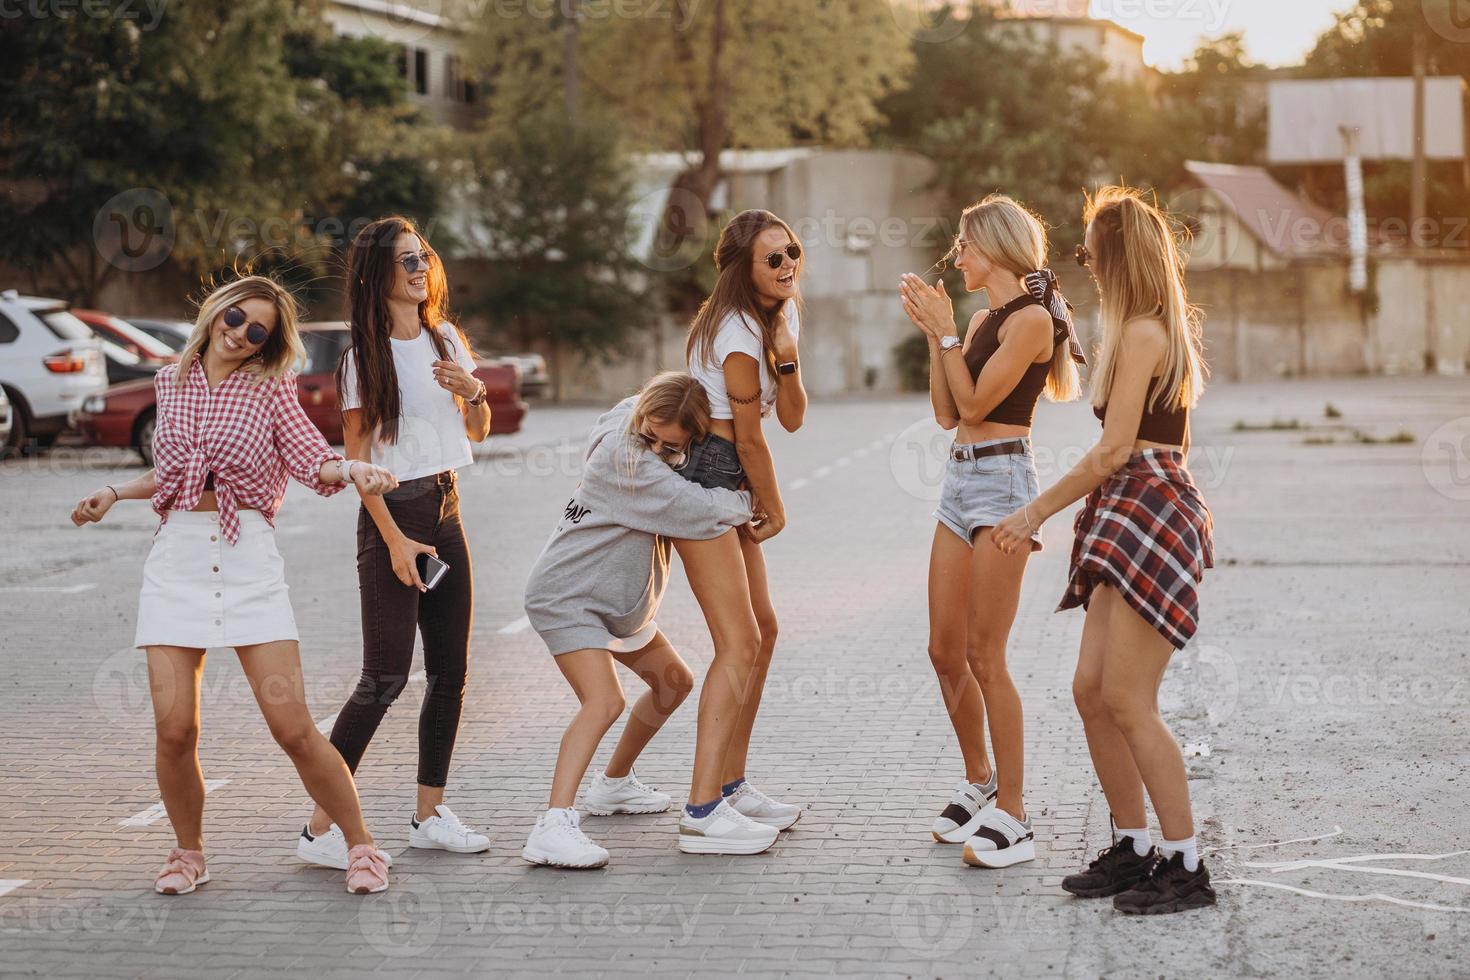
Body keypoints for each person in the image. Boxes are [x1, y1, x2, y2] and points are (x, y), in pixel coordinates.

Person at [70, 274, 399, 895]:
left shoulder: (269, 389)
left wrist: (353, 467)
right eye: (238, 317)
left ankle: (361, 845)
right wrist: (113, 492)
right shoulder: (170, 382)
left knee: (293, 728)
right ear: (218, 310)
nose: (243, 333)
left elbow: (310, 459)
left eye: (258, 332)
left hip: (247, 558)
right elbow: (171, 474)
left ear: (265, 345)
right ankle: (187, 854)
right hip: (177, 563)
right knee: (174, 729)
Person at [992, 186, 1218, 914]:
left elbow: (1116, 449)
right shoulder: (1134, 331)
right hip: (1127, 507)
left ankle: (1186, 866)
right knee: (1091, 692)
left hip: (1148, 503)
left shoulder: (1150, 332)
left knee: (1127, 697)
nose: (1082, 260)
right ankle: (1132, 846)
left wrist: (1033, 511)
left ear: (1116, 255)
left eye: (1090, 249)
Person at [297, 216, 494, 871]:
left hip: (446, 508)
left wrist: (476, 392)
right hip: (393, 513)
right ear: (378, 276)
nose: (420, 268)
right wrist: (394, 543)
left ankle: (429, 815)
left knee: (450, 673)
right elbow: (356, 462)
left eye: (424, 257)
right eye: (407, 260)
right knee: (383, 676)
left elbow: (482, 428)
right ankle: (320, 828)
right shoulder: (363, 358)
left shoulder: (446, 339)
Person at [898, 194, 1084, 868]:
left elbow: (979, 403)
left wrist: (947, 333)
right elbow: (949, 413)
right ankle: (979, 779)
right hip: (958, 481)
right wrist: (936, 334)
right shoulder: (979, 321)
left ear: (998, 248)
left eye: (966, 245)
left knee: (985, 655)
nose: (958, 256)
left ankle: (1015, 810)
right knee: (944, 651)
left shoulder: (1032, 321)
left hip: (1004, 485)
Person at [521, 373, 756, 866]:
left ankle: (613, 786)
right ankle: (553, 824)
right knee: (603, 701)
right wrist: (752, 500)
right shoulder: (626, 462)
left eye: (669, 445)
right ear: (641, 415)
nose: (654, 449)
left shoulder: (634, 412)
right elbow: (701, 508)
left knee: (672, 683)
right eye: (649, 435)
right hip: (568, 595)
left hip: (614, 603)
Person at [676, 209, 807, 844]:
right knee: (739, 642)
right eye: (774, 258)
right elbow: (751, 437)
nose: (789, 266)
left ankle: (730, 785)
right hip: (711, 475)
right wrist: (775, 504)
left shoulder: (776, 320)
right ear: (742, 269)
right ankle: (702, 812)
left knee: (764, 631)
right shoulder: (732, 331)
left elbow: (794, 420)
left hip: (734, 473)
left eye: (793, 252)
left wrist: (787, 359)